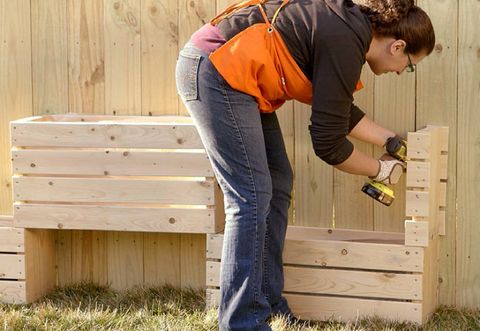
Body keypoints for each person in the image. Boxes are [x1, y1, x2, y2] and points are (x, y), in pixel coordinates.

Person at [175, 0, 435, 329]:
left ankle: (268, 303)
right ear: (398, 46)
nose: (401, 72)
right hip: (217, 71)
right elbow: (328, 144)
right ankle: (242, 322)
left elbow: (337, 108)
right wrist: (378, 170)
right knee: (250, 197)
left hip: (238, 78)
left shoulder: (347, 30)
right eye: (409, 65)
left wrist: (390, 142)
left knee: (277, 183)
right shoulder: (346, 38)